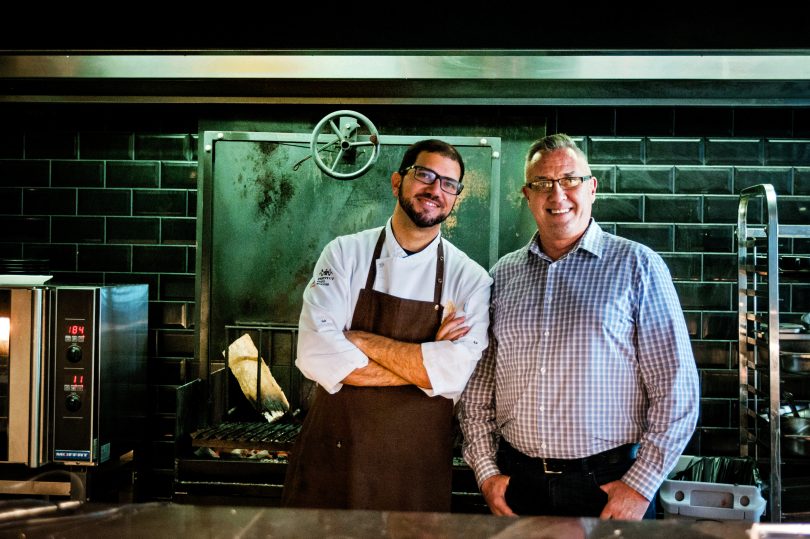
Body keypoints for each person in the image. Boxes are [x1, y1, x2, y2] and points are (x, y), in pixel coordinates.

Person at [459, 133, 699, 520]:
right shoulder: (502, 275)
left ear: (592, 189)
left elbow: (677, 391)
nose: (557, 195)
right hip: (519, 484)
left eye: (570, 180)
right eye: (543, 184)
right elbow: (477, 389)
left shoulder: (637, 266)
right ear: (527, 194)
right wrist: (487, 472)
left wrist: (639, 486)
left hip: (608, 485)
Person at [282, 139, 492, 512]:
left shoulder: (470, 278)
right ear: (397, 182)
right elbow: (316, 353)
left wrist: (359, 340)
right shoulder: (344, 254)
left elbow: (455, 374)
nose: (435, 190)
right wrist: (425, 365)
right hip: (334, 455)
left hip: (415, 469)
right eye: (424, 175)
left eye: (448, 183)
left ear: (456, 197)